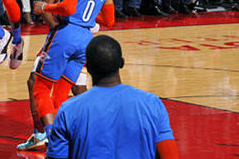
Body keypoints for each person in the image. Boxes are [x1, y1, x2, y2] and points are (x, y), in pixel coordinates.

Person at [29, 0, 114, 145]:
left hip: (67, 33)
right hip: (86, 39)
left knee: (40, 87)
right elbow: (109, 21)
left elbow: (68, 8)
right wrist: (90, 14)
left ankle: (53, 137)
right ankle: (60, 135)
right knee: (60, 93)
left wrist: (44, 7)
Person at [47, 34, 178, 159]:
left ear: (88, 67)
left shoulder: (68, 110)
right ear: (122, 63)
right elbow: (170, 155)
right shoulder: (152, 104)